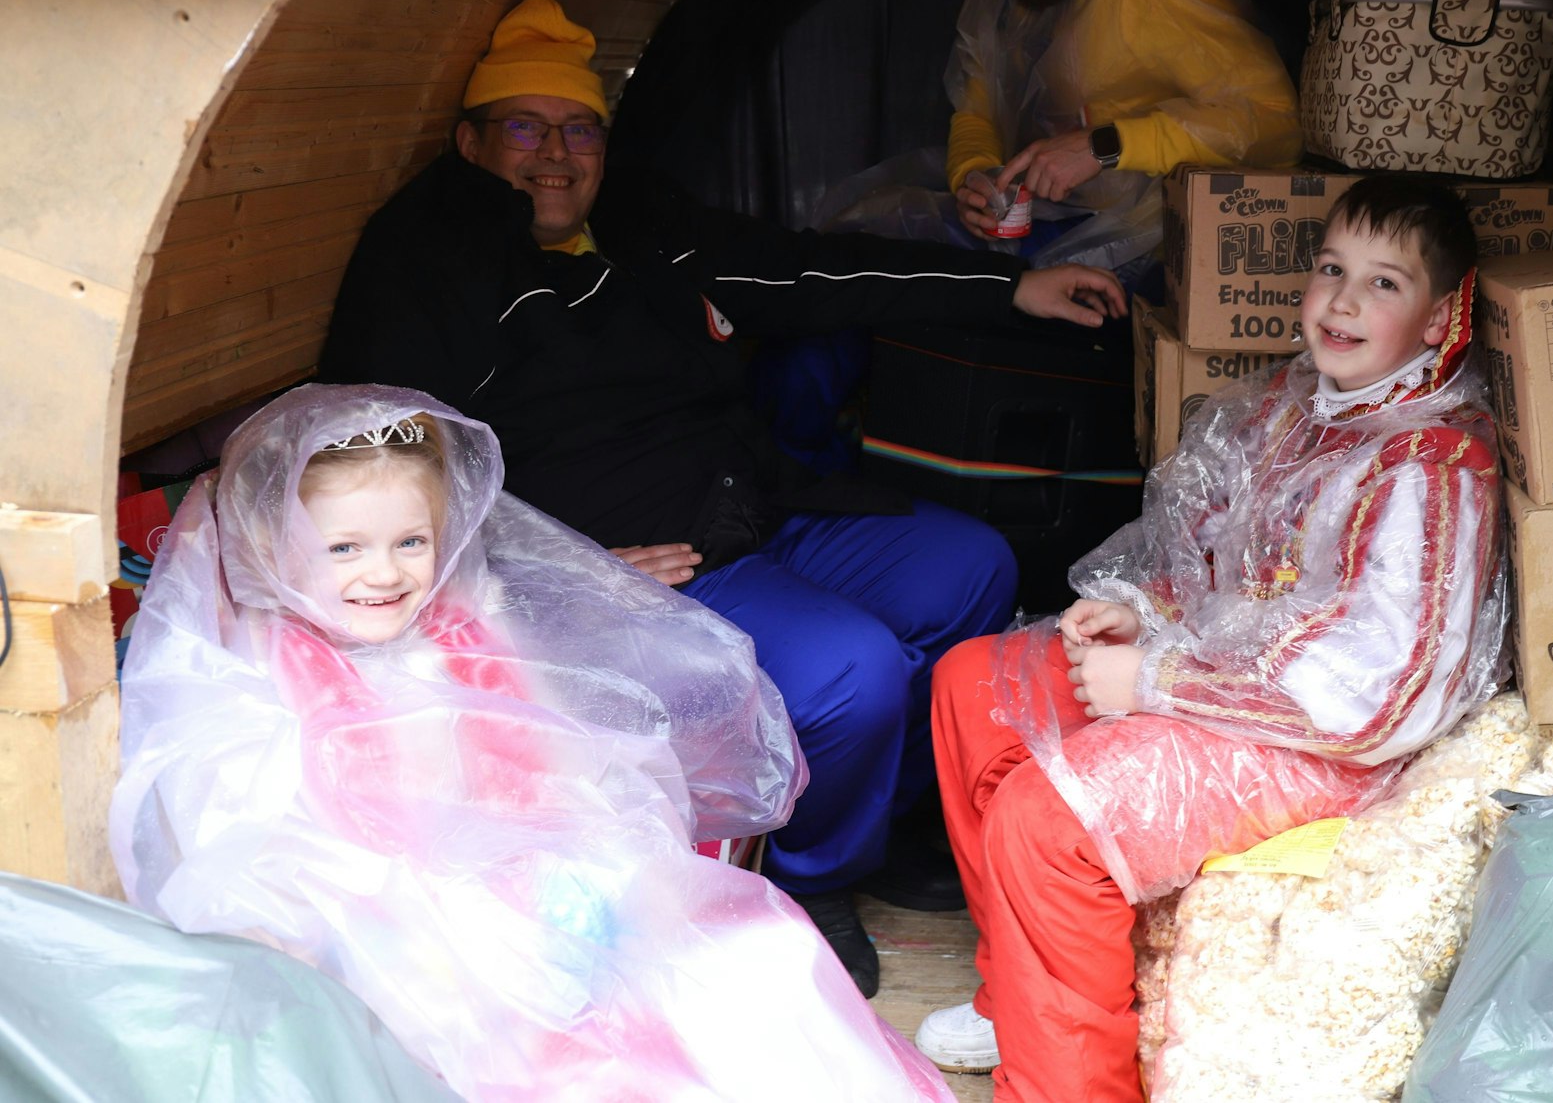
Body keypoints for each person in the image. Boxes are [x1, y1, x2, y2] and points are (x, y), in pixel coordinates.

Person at [318, 0, 1128, 996]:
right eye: (525, 129)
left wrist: (1003, 289)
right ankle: (812, 874)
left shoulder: (644, 227)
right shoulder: (427, 262)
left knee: (972, 570)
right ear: (469, 141)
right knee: (853, 672)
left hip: (754, 500)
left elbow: (811, 273)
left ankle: (865, 820)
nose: (556, 154)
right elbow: (377, 463)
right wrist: (555, 572)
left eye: (579, 130)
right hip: (630, 560)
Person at [109, 384, 958, 1102]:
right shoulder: (266, 663)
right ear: (273, 550)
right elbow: (244, 833)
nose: (385, 572)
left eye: (411, 541)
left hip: (517, 884)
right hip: (380, 931)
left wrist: (610, 867)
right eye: (344, 548)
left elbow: (556, 758)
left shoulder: (457, 629)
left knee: (747, 969)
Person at [914, 176, 1509, 1102]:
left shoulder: (1430, 466)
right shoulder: (1293, 406)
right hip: (1219, 683)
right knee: (972, 682)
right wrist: (1135, 613)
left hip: (1325, 750)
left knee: (1048, 816)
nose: (1344, 300)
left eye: (1385, 283)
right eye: (1331, 269)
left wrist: (1154, 678)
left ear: (1441, 319)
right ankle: (1017, 995)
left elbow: (1371, 702)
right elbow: (1204, 562)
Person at [819, 0, 1302, 277]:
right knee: (853, 240)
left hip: (1147, 242)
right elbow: (978, 106)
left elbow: (1273, 117)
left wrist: (1104, 146)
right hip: (1048, 214)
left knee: (871, 257)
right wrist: (976, 175)